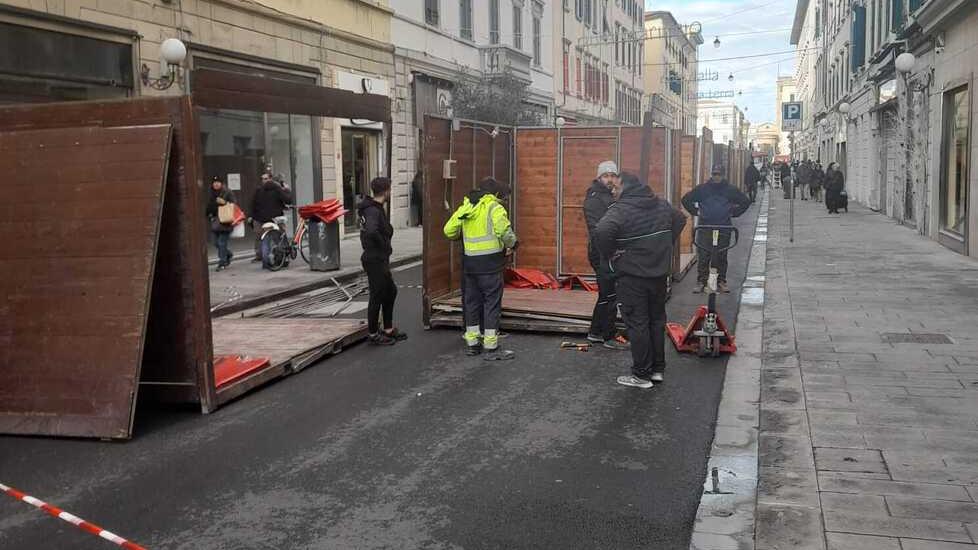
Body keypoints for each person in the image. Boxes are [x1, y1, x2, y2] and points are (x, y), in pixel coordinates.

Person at [594, 172, 686, 388]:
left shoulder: (620, 210)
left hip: (632, 277)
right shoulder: (661, 205)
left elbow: (602, 230)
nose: (613, 192)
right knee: (656, 321)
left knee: (638, 323)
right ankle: (657, 370)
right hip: (659, 276)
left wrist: (610, 254)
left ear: (626, 188)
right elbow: (681, 218)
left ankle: (641, 375)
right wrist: (664, 244)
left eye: (616, 188)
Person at [443, 177, 518, 360]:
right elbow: (503, 232)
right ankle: (491, 346)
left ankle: (472, 344)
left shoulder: (467, 206)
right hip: (490, 265)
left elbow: (449, 230)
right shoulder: (494, 207)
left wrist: (461, 237)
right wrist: (513, 243)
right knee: (491, 304)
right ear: (495, 193)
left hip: (470, 266)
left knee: (471, 304)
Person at [682, 164, 752, 294]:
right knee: (703, 254)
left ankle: (721, 281)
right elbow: (686, 200)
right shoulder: (702, 189)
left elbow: (745, 202)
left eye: (719, 174)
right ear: (711, 174)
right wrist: (696, 211)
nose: (716, 177)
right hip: (705, 227)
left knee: (721, 254)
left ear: (723, 175)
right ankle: (701, 281)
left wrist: (735, 212)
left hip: (724, 227)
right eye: (714, 174)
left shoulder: (730, 190)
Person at [583, 161, 629, 351]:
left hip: (608, 252)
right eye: (606, 176)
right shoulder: (595, 199)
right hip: (603, 253)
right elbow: (597, 230)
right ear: (599, 177)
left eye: (612, 176)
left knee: (607, 293)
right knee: (609, 294)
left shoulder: (609, 197)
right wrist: (610, 251)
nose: (609, 179)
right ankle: (607, 335)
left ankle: (595, 332)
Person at [359, 177, 406, 345]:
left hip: (378, 258)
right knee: (377, 295)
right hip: (375, 258)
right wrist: (383, 245)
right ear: (386, 191)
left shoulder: (376, 208)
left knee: (390, 291)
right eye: (390, 189)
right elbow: (371, 231)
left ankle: (387, 328)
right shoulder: (373, 211)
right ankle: (373, 333)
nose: (391, 192)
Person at [249, 172, 293, 262]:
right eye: (263, 179)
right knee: (278, 238)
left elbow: (253, 204)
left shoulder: (259, 190)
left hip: (262, 218)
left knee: (264, 239)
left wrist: (252, 216)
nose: (264, 180)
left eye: (265, 178)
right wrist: (287, 190)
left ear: (270, 179)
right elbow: (287, 200)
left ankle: (263, 257)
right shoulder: (277, 189)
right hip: (274, 218)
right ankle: (282, 257)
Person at [206, 177, 236, 271]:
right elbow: (209, 205)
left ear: (222, 183)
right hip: (215, 221)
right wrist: (209, 215)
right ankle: (228, 254)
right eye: (214, 182)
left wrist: (225, 202)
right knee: (215, 242)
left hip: (225, 221)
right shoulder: (211, 193)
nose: (216, 184)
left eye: (218, 182)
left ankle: (222, 262)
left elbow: (233, 204)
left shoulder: (227, 192)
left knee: (222, 243)